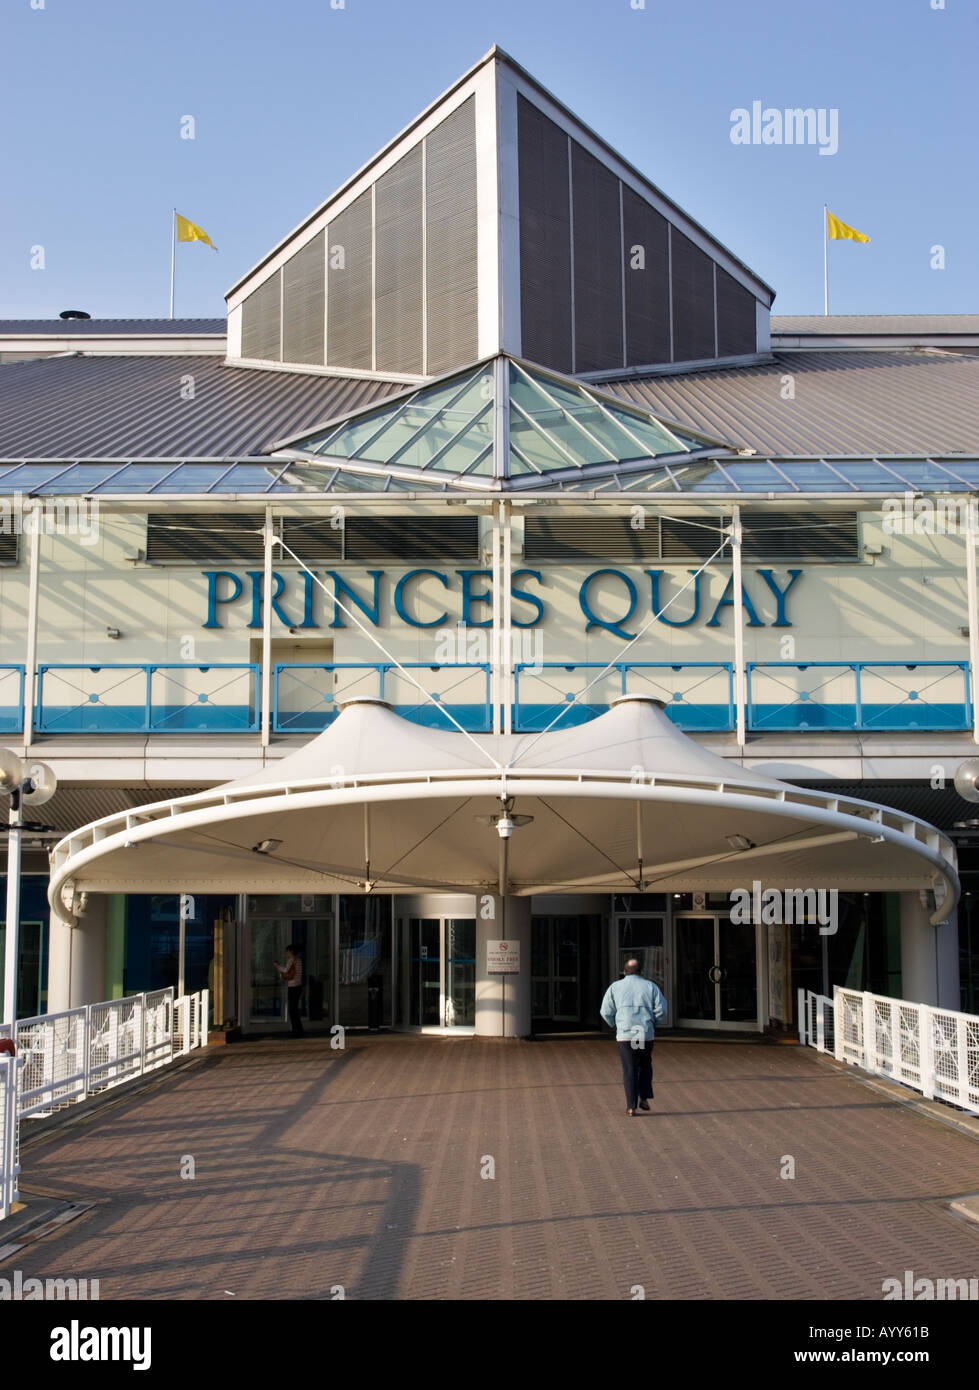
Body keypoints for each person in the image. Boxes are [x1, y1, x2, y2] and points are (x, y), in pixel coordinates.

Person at [600, 958, 667, 1116]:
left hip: (626, 1034)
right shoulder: (650, 986)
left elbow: (606, 1011)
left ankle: (631, 1106)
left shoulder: (615, 987)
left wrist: (615, 1024)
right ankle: (644, 1097)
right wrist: (653, 1023)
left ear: (624, 971)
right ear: (641, 972)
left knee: (630, 1069)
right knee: (644, 1064)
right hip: (643, 1032)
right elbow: (661, 1010)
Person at [274, 944, 304, 1037]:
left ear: (291, 951)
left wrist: (277, 966)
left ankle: (296, 1031)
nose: (286, 953)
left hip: (293, 987)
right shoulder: (299, 960)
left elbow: (286, 970)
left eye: (287, 951)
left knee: (292, 1010)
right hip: (298, 986)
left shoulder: (291, 960)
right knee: (294, 1009)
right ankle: (299, 1030)